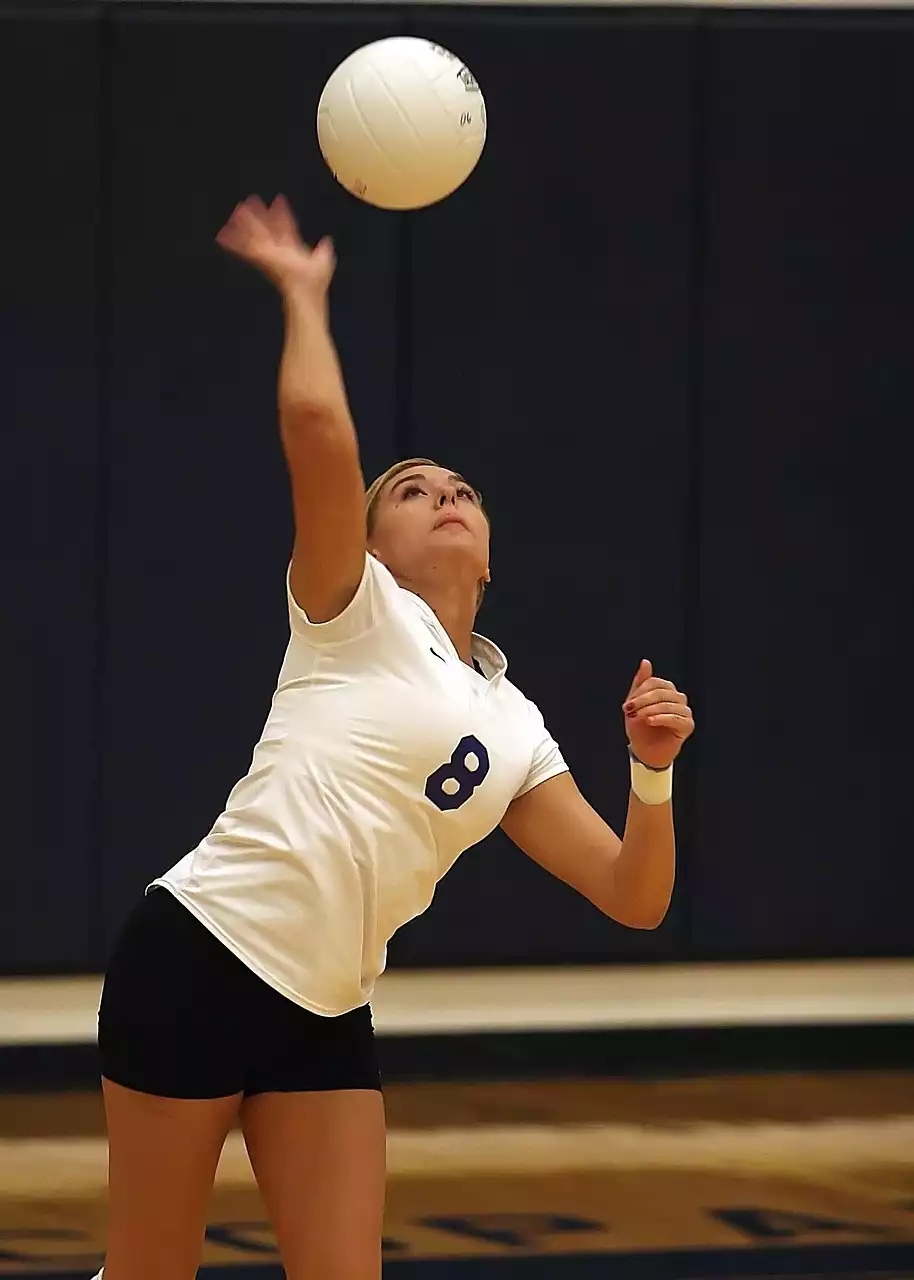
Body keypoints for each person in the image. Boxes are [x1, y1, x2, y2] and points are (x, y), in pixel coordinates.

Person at [93, 194, 695, 1280]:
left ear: (492, 557)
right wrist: (304, 294)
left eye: (460, 490)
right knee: (149, 1270)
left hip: (325, 1005)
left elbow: (632, 894)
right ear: (370, 542)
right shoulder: (352, 611)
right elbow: (319, 435)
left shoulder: (515, 722)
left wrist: (648, 776)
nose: (446, 496)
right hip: (200, 955)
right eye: (413, 492)